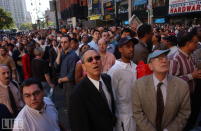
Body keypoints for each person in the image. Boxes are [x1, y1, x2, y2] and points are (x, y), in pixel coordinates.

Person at [132, 49, 191, 131]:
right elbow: (137, 112)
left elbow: (184, 113)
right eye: (159, 58)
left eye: (165, 58)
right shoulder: (139, 85)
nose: (164, 60)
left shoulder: (182, 86)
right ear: (150, 66)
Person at [69, 49, 116, 131]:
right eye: (90, 60)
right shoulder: (77, 94)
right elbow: (78, 126)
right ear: (83, 67)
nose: (94, 61)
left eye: (97, 58)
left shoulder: (107, 79)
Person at [169, 30, 201, 130]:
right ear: (188, 43)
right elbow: (171, 81)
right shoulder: (175, 59)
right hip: (180, 101)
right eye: (195, 42)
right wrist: (192, 75)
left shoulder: (190, 56)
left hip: (191, 97)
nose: (197, 45)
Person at [108, 36, 138, 131]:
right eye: (128, 46)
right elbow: (111, 97)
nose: (131, 49)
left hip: (137, 116)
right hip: (123, 118)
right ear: (120, 49)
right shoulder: (114, 71)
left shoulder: (136, 67)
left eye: (132, 46)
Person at [54, 35, 79, 130]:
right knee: (68, 106)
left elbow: (71, 76)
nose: (63, 44)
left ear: (70, 43)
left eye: (65, 42)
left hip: (70, 86)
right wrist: (59, 53)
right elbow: (56, 66)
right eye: (61, 42)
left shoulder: (73, 56)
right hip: (64, 86)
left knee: (71, 108)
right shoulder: (63, 54)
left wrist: (60, 80)